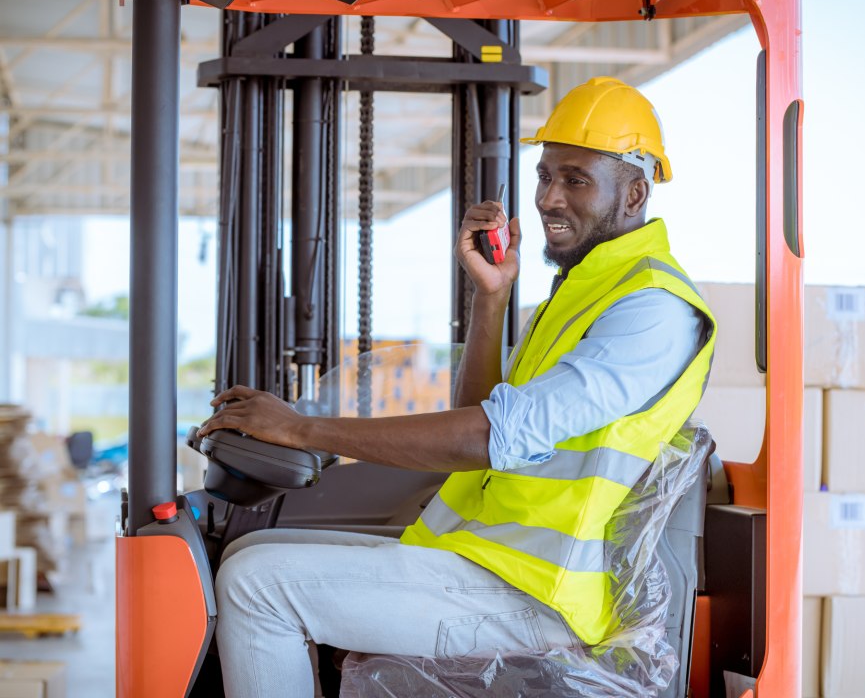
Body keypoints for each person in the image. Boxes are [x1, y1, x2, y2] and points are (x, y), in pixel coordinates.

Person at [198, 76, 716, 698]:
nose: (550, 197)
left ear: (634, 193)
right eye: (544, 175)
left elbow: (497, 435)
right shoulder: (584, 291)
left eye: (575, 179)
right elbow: (483, 415)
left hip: (532, 593)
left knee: (257, 583)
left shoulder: (652, 308)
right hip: (486, 561)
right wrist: (491, 296)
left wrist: (298, 428)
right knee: (258, 550)